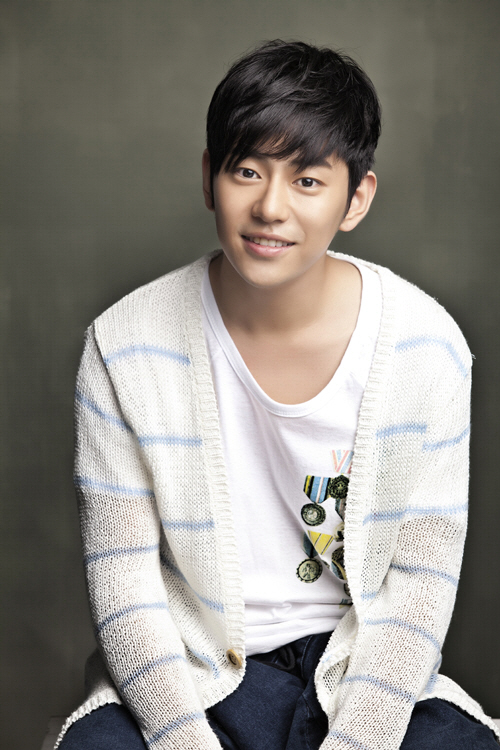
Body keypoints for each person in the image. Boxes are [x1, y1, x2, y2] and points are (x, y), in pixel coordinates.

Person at [55, 40, 499, 750]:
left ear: (357, 199)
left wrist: (358, 740)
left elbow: (420, 585)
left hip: (358, 664)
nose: (269, 207)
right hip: (195, 669)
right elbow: (124, 584)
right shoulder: (124, 347)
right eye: (247, 171)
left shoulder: (427, 348)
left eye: (308, 180)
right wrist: (181, 738)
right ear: (209, 178)